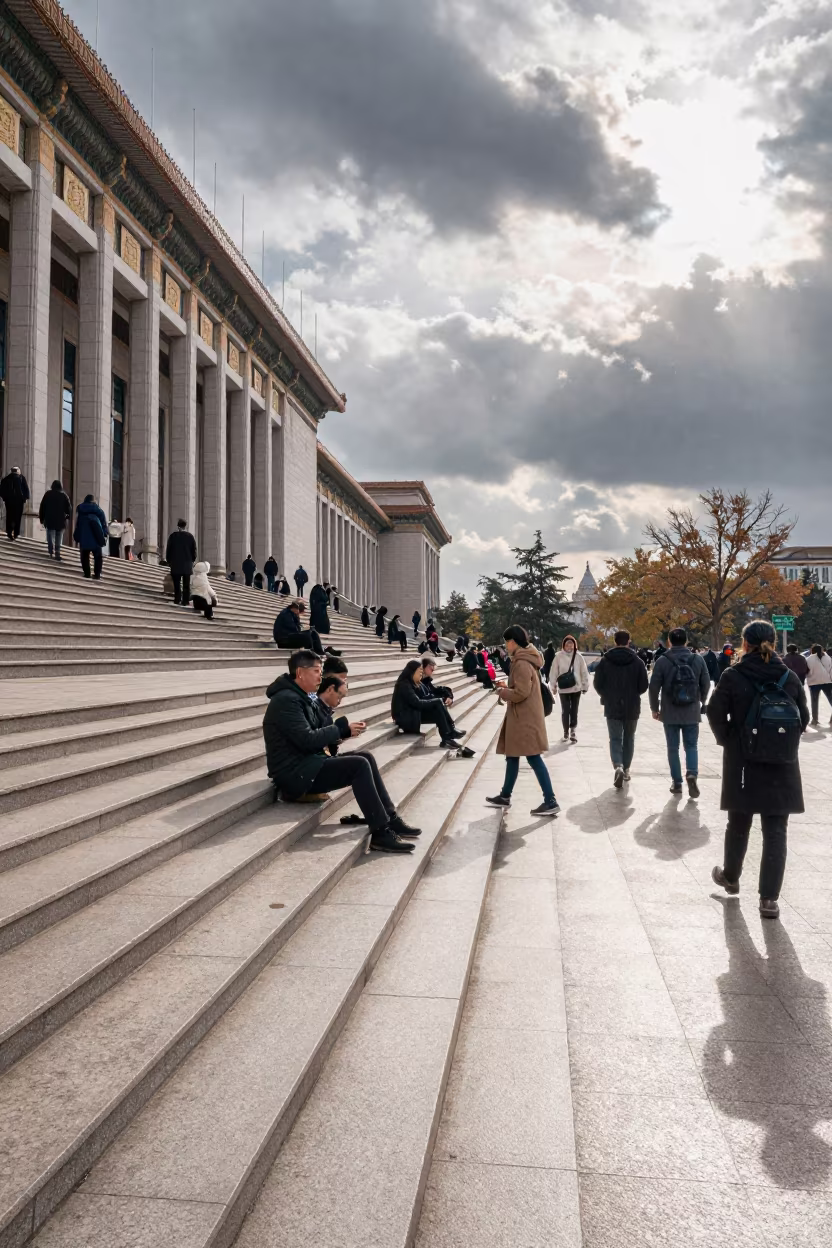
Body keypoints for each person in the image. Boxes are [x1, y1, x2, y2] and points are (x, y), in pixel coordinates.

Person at [263, 650, 418, 853]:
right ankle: (380, 833)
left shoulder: (301, 696)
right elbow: (307, 739)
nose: (321, 676)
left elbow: (315, 731)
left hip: (307, 764)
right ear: (300, 673)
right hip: (294, 774)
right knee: (358, 765)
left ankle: (390, 818)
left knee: (365, 757)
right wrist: (340, 729)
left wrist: (338, 729)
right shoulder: (286, 700)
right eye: (317, 671)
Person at [708, 619, 809, 919]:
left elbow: (714, 711)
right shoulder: (788, 677)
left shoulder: (734, 674)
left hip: (743, 762)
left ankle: (731, 876)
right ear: (774, 642)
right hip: (782, 764)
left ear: (745, 643)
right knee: (776, 831)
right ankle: (769, 900)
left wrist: (729, 739)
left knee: (738, 823)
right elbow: (802, 718)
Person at [486, 625, 560, 816]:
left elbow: (521, 693)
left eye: (506, 642)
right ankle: (505, 795)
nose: (505, 645)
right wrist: (506, 686)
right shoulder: (525, 659)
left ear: (512, 642)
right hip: (524, 716)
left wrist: (502, 691)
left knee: (533, 757)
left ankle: (550, 800)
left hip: (524, 718)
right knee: (512, 756)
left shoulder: (521, 663)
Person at [648, 626, 711, 797]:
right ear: (686, 641)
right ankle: (692, 773)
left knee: (672, 747)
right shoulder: (697, 659)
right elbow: (706, 682)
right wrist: (701, 701)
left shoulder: (663, 660)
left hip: (669, 711)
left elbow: (653, 687)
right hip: (691, 710)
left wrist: (655, 708)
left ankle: (677, 783)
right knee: (691, 746)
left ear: (669, 641)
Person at [593, 628, 649, 788]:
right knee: (629, 738)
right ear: (628, 641)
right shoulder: (638, 661)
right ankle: (627, 769)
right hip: (632, 705)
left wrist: (607, 695)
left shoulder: (605, 660)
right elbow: (643, 685)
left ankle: (617, 765)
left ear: (615, 642)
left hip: (612, 704)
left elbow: (597, 683)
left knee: (615, 738)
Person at [391, 659, 471, 752]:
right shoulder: (404, 685)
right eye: (419, 672)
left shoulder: (414, 683)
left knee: (437, 707)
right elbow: (417, 703)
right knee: (437, 703)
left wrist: (441, 699)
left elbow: (427, 696)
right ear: (412, 672)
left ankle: (447, 739)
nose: (421, 674)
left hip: (412, 713)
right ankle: (450, 731)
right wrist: (437, 700)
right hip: (404, 717)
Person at [550, 635, 590, 743]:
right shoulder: (558, 656)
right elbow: (554, 671)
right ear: (563, 645)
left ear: (574, 644)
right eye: (567, 643)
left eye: (571, 643)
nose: (569, 646)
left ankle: (573, 731)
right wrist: (553, 685)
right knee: (565, 710)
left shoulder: (578, 656)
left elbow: (584, 672)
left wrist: (585, 685)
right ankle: (565, 732)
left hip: (576, 687)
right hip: (563, 688)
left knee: (574, 710)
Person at [273, 599, 340, 658]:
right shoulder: (286, 614)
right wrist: (304, 629)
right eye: (301, 610)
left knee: (312, 631)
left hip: (289, 636)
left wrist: (306, 628)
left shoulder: (293, 615)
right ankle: (312, 653)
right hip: (283, 640)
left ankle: (320, 652)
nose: (300, 612)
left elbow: (297, 628)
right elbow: (294, 629)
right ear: (295, 608)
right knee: (307, 635)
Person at [73, 494, 107, 579]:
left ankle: (87, 573)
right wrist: (105, 535)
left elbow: (78, 524)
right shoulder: (99, 511)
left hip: (84, 536)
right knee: (98, 557)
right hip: (96, 537)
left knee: (84, 556)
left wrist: (77, 536)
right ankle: (97, 574)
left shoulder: (80, 509)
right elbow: (103, 525)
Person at [165, 518, 197, 606]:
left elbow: (169, 549)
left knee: (176, 583)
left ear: (178, 526)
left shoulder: (173, 536)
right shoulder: (190, 537)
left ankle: (177, 599)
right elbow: (194, 550)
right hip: (187, 563)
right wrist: (192, 560)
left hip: (175, 563)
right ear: (185, 526)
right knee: (186, 584)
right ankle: (185, 600)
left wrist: (169, 560)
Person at [38, 479, 71, 560]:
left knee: (50, 535)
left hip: (50, 519)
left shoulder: (47, 494)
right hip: (61, 520)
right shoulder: (64, 496)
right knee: (59, 536)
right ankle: (57, 551)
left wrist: (41, 518)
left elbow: (42, 507)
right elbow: (68, 509)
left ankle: (50, 550)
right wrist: (68, 516)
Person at [1, 465, 29, 540]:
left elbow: (1, 490)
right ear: (17, 471)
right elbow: (26, 489)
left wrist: (5, 498)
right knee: (17, 517)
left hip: (9, 501)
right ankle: (16, 533)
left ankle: (9, 531)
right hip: (19, 501)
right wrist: (25, 498)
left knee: (9, 516)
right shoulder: (21, 478)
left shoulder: (6, 479)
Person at [806, 643, 832, 725]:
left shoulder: (809, 659)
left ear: (812, 650)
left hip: (814, 683)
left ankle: (815, 720)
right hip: (827, 682)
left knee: (814, 701)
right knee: (831, 700)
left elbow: (808, 671)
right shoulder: (828, 658)